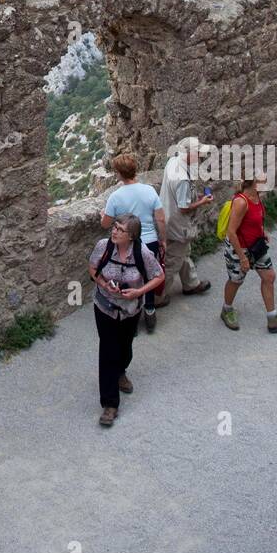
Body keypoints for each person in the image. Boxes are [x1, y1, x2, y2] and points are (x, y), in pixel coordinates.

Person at [88, 214, 163, 427]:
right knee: (108, 351)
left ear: (131, 236)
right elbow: (92, 269)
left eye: (120, 229)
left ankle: (121, 371)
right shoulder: (103, 246)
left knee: (125, 347)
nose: (114, 231)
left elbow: (158, 276)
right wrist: (103, 284)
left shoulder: (142, 253)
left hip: (130, 310)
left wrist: (139, 291)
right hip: (105, 308)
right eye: (114, 227)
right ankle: (110, 405)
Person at [221, 172, 277, 332]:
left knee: (269, 277)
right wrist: (242, 258)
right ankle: (226, 310)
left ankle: (272, 318)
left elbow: (255, 219)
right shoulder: (241, 202)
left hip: (257, 245)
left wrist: (262, 233)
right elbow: (231, 232)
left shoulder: (257, 197)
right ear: (254, 182)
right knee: (236, 280)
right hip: (239, 249)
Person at [100, 153, 166, 333]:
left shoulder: (115, 196)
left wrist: (102, 216)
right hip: (150, 241)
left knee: (128, 279)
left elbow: (106, 224)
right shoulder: (149, 190)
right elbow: (160, 218)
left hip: (126, 244)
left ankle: (131, 319)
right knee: (149, 277)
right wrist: (163, 239)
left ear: (119, 173)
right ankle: (150, 311)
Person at [155, 136, 213, 306]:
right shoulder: (182, 179)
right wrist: (203, 201)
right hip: (177, 223)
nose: (200, 156)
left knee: (183, 252)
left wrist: (195, 196)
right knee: (173, 261)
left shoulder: (173, 161)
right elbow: (184, 207)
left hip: (166, 214)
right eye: (197, 153)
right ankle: (158, 297)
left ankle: (191, 284)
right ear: (188, 154)